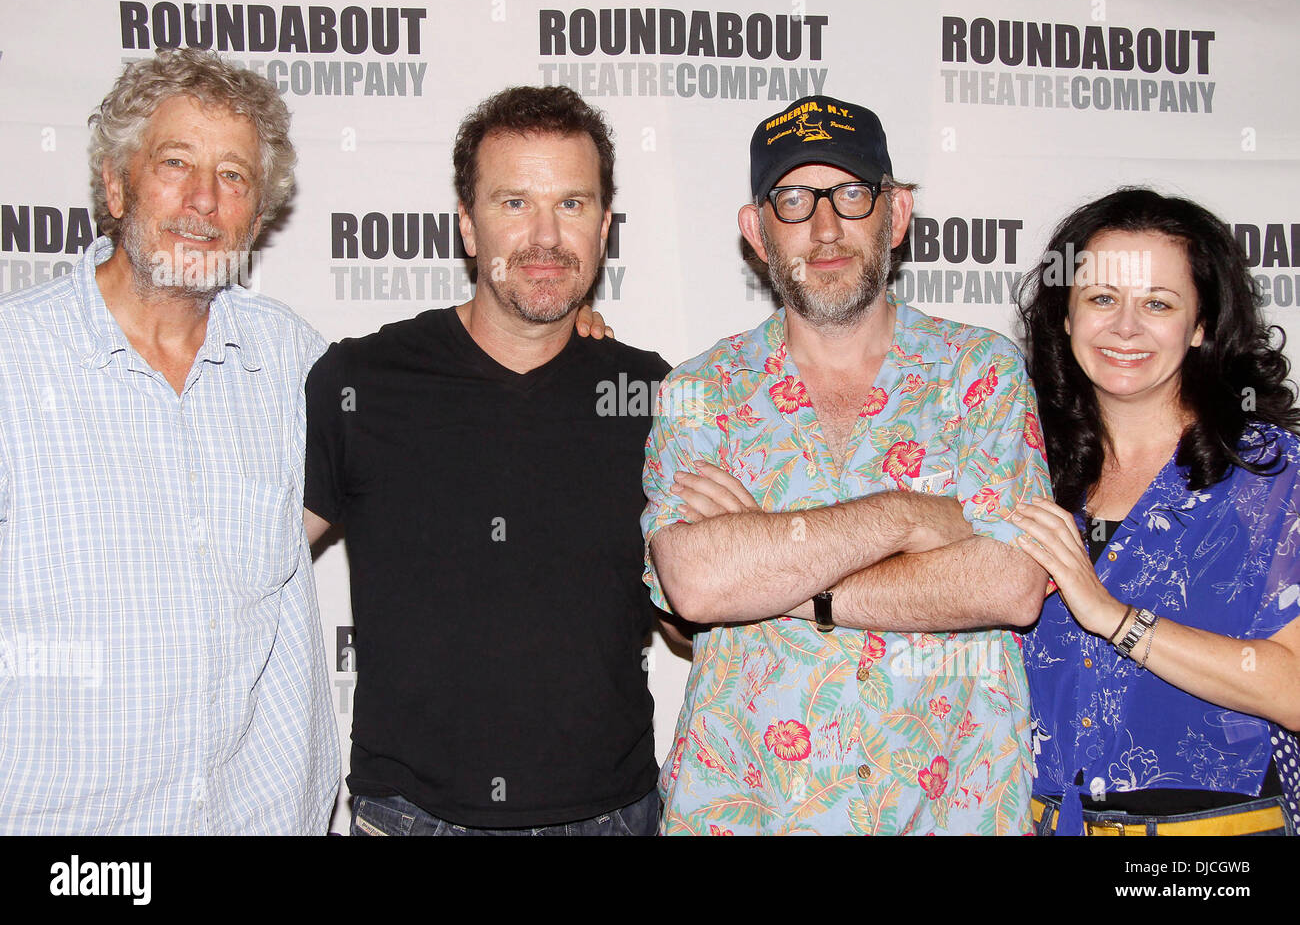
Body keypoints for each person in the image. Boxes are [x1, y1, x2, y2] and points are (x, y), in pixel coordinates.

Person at [641, 95, 1051, 835]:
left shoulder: (982, 375)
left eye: (852, 195)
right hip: (747, 812)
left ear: (894, 214)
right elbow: (697, 583)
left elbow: (1011, 582)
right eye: (794, 200)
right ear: (757, 231)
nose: (825, 229)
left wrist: (774, 570)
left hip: (949, 813)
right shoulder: (698, 392)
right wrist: (906, 516)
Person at [303, 85, 671, 836]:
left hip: (614, 816)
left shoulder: (653, 396)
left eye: (571, 205)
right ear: (468, 227)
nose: (544, 237)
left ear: (604, 228)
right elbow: (248, 572)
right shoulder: (362, 383)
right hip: (412, 818)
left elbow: (692, 622)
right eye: (514, 204)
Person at [0, 49, 338, 833]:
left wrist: (568, 336)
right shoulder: (14, 364)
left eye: (233, 177)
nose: (201, 201)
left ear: (258, 216)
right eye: (175, 162)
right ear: (117, 185)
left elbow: (449, 412)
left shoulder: (296, 363)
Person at [1015, 187, 1300, 835]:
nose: (1125, 327)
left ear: (1201, 325)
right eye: (1103, 299)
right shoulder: (1028, 466)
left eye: (1158, 304)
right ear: (1067, 315)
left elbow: (1292, 688)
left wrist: (1115, 617)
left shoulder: (1272, 475)